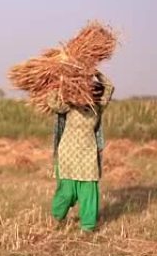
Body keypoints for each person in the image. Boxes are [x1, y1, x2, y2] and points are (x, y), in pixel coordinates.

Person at [47, 71, 114, 232]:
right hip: (68, 154)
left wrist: (96, 72)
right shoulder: (69, 106)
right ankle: (57, 218)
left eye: (91, 92)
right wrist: (62, 80)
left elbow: (109, 87)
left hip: (88, 154)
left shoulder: (98, 108)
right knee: (66, 191)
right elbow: (52, 102)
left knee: (88, 190)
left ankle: (88, 226)